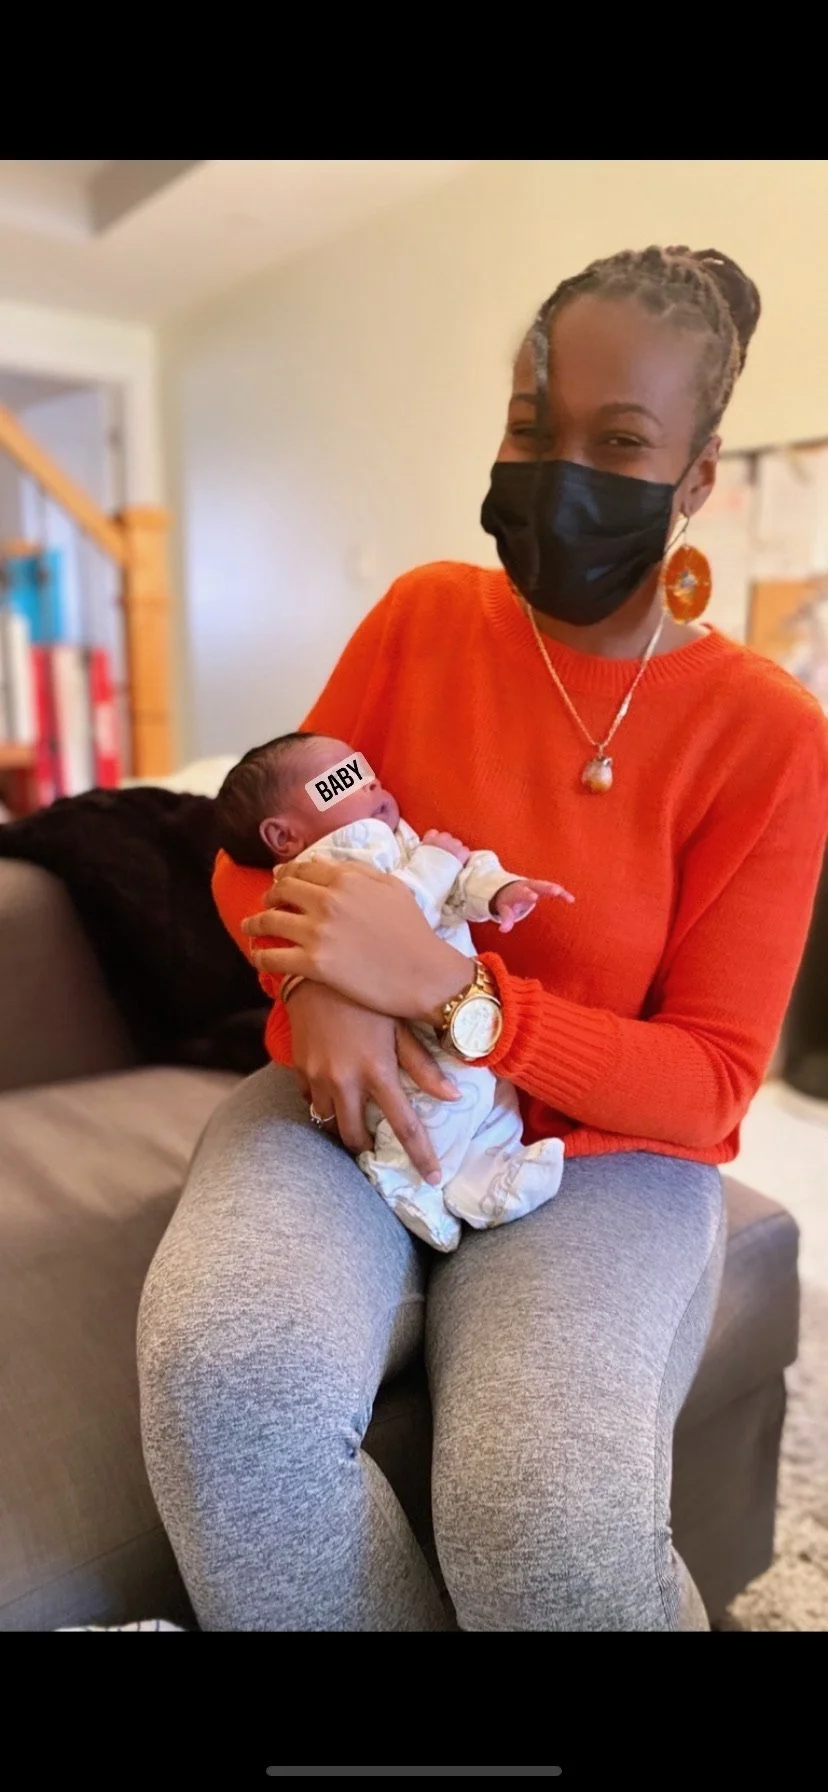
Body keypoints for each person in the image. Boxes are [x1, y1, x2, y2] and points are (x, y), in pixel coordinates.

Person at [138, 244, 828, 1632]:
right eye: (534, 424)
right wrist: (318, 979)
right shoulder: (422, 620)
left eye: (618, 440)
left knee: (541, 1523)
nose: (560, 465)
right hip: (353, 1101)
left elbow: (704, 1084)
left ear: (694, 480)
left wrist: (458, 995)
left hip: (600, 1158)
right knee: (225, 1379)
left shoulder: (770, 738)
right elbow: (259, 843)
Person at [213, 730, 572, 1251]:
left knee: (492, 1097)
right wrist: (438, 863)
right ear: (284, 837)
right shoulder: (333, 861)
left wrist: (495, 891)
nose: (372, 782)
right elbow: (388, 924)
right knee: (451, 1096)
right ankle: (406, 1178)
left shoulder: (387, 836)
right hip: (407, 1039)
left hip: (453, 1013)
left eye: (366, 770)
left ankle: (482, 1182)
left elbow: (451, 885)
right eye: (346, 779)